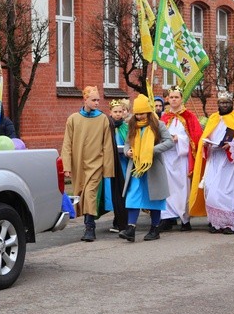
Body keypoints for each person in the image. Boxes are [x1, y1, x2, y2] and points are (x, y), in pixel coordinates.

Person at [189, 91, 234, 234]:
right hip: (214, 159)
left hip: (229, 162)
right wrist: (206, 144)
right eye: (221, 102)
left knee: (227, 192)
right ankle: (215, 223)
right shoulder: (213, 118)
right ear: (218, 104)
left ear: (231, 103)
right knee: (211, 190)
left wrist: (231, 145)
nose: (224, 105)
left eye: (227, 102)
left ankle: (228, 225)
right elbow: (205, 137)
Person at [61, 86, 116, 242]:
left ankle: (89, 227)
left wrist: (108, 168)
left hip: (96, 163)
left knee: (90, 193)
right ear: (85, 99)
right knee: (81, 193)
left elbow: (107, 145)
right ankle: (88, 223)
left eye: (98, 100)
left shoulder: (103, 119)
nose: (97, 103)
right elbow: (67, 144)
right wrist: (66, 166)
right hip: (79, 163)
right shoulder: (73, 119)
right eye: (94, 100)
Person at [119, 94, 174, 242]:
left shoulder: (158, 125)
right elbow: (127, 143)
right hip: (136, 167)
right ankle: (131, 228)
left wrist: (151, 150)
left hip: (153, 167)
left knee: (154, 197)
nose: (138, 117)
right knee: (133, 196)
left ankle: (155, 228)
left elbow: (169, 142)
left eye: (142, 113)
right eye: (136, 114)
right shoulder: (132, 125)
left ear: (148, 112)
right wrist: (127, 151)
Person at [159, 86, 202, 232]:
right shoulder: (164, 117)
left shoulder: (189, 117)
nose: (173, 100)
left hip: (182, 158)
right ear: (168, 99)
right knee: (168, 188)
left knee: (183, 188)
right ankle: (167, 218)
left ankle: (185, 219)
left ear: (181, 99)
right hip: (167, 157)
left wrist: (179, 139)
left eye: (176, 97)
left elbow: (196, 137)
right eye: (171, 97)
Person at [104, 99, 130, 234]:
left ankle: (122, 219)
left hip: (124, 162)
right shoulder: (107, 127)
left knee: (124, 190)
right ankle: (117, 218)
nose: (118, 114)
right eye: (115, 112)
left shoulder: (126, 127)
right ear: (110, 112)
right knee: (112, 191)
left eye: (120, 111)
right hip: (111, 162)